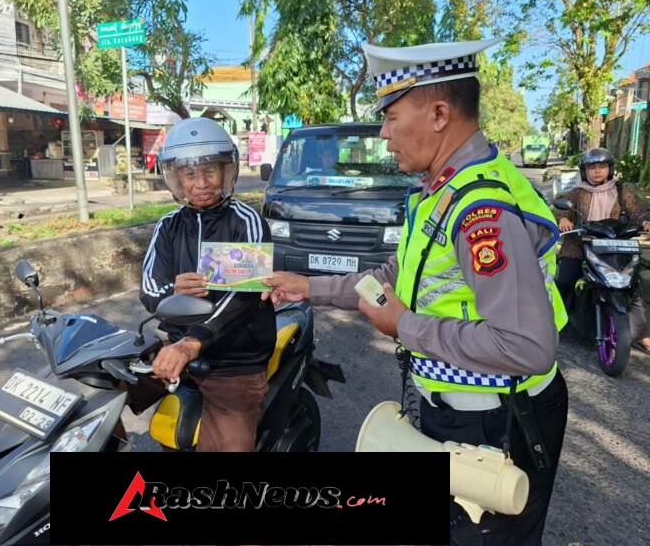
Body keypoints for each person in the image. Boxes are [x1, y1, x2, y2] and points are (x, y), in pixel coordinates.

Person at [264, 38, 569, 545]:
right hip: (458, 414)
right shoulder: (440, 190)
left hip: (499, 423)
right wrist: (307, 287)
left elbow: (529, 347)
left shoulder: (481, 210)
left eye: (390, 117)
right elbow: (393, 276)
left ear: (439, 113)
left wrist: (403, 325)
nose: (384, 136)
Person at [140, 117, 276, 452]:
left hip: (234, 361)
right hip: (176, 352)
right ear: (176, 179)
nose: (201, 182)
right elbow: (148, 290)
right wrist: (173, 291)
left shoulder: (246, 222)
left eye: (210, 171)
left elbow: (244, 296)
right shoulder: (168, 226)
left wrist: (193, 341)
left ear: (226, 172)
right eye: (189, 174)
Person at [556, 148, 650, 353]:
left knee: (636, 283)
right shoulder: (578, 191)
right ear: (584, 171)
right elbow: (562, 207)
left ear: (610, 169)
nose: (597, 171)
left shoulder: (621, 189)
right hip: (580, 245)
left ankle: (642, 334)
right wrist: (563, 218)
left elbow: (637, 211)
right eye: (592, 167)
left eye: (602, 166)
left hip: (615, 245)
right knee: (564, 279)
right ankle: (556, 322)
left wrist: (645, 222)